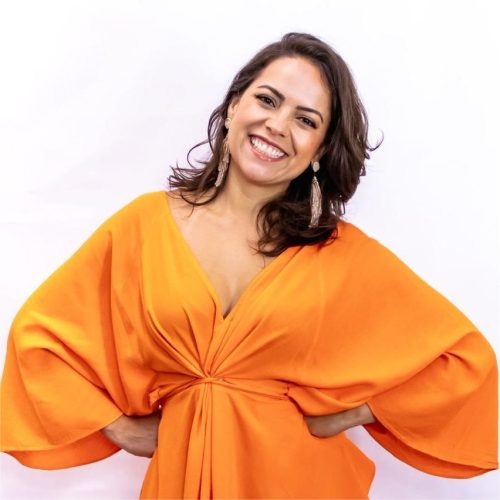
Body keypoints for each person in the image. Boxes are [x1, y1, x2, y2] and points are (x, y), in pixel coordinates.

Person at [0, 32, 498, 499]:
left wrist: (355, 413)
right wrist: (119, 428)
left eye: (306, 120)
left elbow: (465, 363)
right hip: (181, 477)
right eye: (268, 99)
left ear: (321, 148)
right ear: (234, 105)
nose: (278, 125)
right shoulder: (144, 226)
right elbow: (39, 341)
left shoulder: (341, 253)